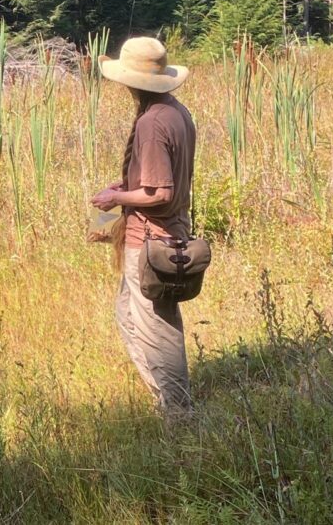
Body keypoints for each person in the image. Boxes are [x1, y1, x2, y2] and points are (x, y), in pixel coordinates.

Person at [88, 37, 197, 417]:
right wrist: (127, 189)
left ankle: (178, 414)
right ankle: (167, 401)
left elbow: (160, 192)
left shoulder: (152, 123)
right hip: (169, 235)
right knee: (131, 315)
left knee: (157, 329)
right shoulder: (176, 111)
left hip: (152, 243)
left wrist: (116, 199)